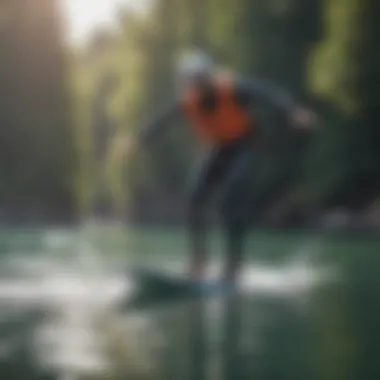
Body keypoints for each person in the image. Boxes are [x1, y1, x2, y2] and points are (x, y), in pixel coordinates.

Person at [123, 50, 316, 285]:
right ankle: (199, 262)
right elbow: (163, 121)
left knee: (231, 197)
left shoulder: (232, 89)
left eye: (199, 79)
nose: (195, 85)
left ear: (207, 77)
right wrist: (137, 140)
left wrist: (292, 111)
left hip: (245, 144)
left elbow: (266, 92)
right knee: (194, 197)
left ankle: (234, 266)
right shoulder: (189, 101)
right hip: (219, 149)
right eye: (190, 81)